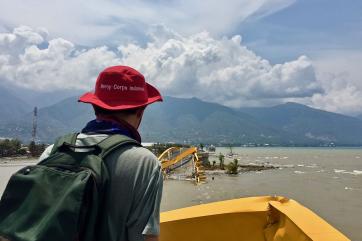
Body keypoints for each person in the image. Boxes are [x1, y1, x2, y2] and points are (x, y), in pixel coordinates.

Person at [39, 65, 163, 241]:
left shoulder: (53, 151)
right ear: (140, 112)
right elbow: (145, 237)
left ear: (95, 107)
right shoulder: (145, 163)